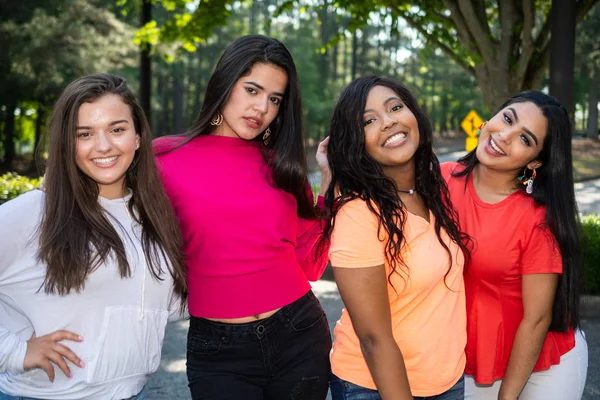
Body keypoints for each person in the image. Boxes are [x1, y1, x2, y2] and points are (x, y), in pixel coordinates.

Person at [153, 34, 332, 400]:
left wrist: (327, 188)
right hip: (218, 351)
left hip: (299, 333)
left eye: (274, 99)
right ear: (225, 84)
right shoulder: (163, 159)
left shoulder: (283, 168)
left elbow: (311, 266)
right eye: (252, 90)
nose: (261, 108)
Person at [0, 73, 187, 400]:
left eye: (117, 129)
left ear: (138, 136)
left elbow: (166, 306)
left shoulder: (153, 215)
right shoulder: (34, 213)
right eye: (84, 134)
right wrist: (13, 351)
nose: (103, 146)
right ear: (66, 143)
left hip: (134, 393)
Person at [323, 76, 469, 400]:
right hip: (375, 385)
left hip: (447, 378)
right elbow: (374, 339)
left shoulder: (436, 188)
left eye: (395, 107)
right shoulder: (358, 213)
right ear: (356, 141)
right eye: (369, 121)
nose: (388, 122)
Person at [441, 91, 588, 399]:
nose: (504, 137)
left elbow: (537, 319)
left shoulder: (538, 220)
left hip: (542, 365)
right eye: (507, 119)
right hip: (464, 359)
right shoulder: (439, 181)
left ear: (535, 161)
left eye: (525, 139)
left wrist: (507, 397)